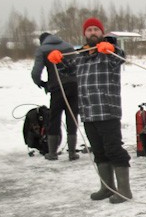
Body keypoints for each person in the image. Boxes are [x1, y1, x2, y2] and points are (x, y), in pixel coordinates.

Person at [47, 18, 131, 203]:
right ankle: (107, 187)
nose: (92, 33)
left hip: (107, 110)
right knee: (98, 151)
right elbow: (68, 70)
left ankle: (124, 190)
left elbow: (121, 56)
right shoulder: (80, 56)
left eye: (96, 30)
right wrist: (57, 60)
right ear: (84, 34)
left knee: (114, 149)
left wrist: (110, 49)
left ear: (102, 32)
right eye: (89, 30)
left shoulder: (108, 53)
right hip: (88, 112)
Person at [31, 32, 80, 161]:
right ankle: (72, 153)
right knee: (72, 117)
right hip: (74, 85)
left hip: (57, 88)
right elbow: (76, 66)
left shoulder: (42, 50)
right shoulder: (68, 46)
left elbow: (36, 73)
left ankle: (52, 153)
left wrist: (42, 84)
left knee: (55, 118)